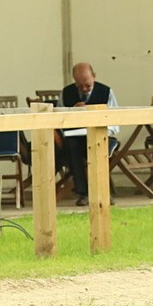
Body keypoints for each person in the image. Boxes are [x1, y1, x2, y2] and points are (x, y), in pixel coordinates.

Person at [59, 62, 120, 205]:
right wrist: (72, 112)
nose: (84, 89)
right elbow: (59, 120)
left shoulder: (106, 92)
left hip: (102, 136)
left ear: (94, 77)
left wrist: (100, 129)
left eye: (87, 85)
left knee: (98, 146)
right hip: (75, 137)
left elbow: (115, 122)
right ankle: (83, 193)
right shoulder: (66, 93)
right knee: (71, 147)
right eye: (80, 86)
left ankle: (102, 192)